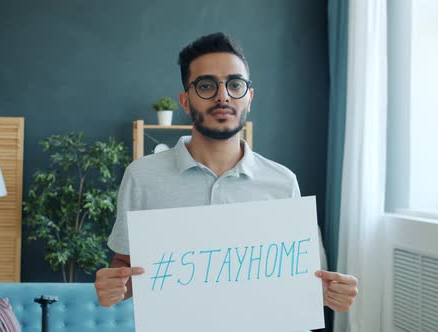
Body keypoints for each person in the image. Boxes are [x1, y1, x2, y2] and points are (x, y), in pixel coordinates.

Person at [95, 32, 358, 314]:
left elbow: (306, 280)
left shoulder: (282, 183)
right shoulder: (142, 177)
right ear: (185, 101)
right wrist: (112, 287)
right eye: (206, 85)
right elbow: (125, 264)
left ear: (249, 97)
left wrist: (331, 293)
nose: (223, 96)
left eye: (235, 85)